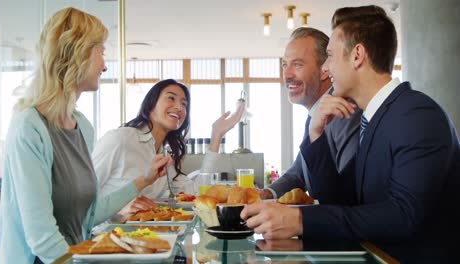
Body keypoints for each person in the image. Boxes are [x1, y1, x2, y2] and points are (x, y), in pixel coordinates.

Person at [243, 5, 460, 262]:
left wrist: (301, 220)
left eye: (331, 56)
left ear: (357, 55)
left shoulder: (417, 113)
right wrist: (316, 134)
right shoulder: (374, 118)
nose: (326, 67)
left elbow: (403, 215)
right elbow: (339, 200)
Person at [0, 8, 166, 263]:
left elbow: (89, 213)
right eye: (101, 51)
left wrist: (144, 180)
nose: (105, 65)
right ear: (77, 53)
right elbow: (42, 238)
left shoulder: (83, 127)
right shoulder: (29, 128)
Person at [93, 79, 245, 202]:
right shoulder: (121, 138)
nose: (179, 107)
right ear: (151, 104)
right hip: (106, 236)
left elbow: (197, 192)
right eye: (171, 98)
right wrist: (116, 212)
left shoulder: (165, 157)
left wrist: (217, 135)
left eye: (184, 104)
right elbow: (82, 196)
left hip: (147, 235)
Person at [259, 27, 361, 201]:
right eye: (285, 64)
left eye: (297, 64)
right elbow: (298, 172)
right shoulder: (314, 114)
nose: (287, 74)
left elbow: (344, 197)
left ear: (324, 70)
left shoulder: (345, 111)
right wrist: (266, 193)